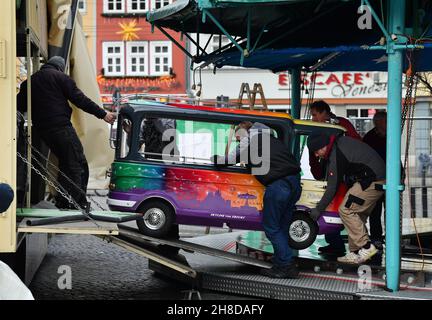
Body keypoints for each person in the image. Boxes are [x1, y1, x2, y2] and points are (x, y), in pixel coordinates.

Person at [17, 56, 116, 209]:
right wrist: (103, 114)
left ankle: (63, 200)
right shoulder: (60, 77)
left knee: (66, 163)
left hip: (42, 130)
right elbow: (81, 100)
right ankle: (77, 203)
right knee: (78, 163)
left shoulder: (29, 82)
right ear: (60, 67)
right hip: (60, 126)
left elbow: (20, 105)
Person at [214, 122, 302, 278]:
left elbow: (230, 159)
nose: (238, 141)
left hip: (279, 186)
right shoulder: (271, 139)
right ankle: (283, 261)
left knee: (271, 227)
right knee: (281, 226)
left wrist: (215, 159)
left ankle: (286, 266)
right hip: (295, 183)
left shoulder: (250, 140)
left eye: (238, 137)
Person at [307, 133, 385, 264]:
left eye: (316, 151)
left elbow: (332, 187)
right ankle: (354, 253)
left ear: (323, 146)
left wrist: (318, 209)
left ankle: (367, 247)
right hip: (376, 178)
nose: (316, 155)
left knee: (346, 210)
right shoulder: (339, 143)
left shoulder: (336, 154)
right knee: (356, 215)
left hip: (372, 180)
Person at [309, 100, 362, 257]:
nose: (313, 118)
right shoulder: (319, 129)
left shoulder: (341, 124)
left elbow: (355, 142)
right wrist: (317, 173)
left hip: (346, 175)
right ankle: (335, 243)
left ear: (324, 112)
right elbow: (313, 155)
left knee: (345, 209)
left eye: (314, 114)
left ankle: (358, 245)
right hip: (330, 172)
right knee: (332, 206)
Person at [362, 111, 387, 249]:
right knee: (375, 211)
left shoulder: (391, 135)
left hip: (391, 178)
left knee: (391, 211)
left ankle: (391, 238)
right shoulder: (369, 138)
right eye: (385, 121)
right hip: (375, 179)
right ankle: (376, 238)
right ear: (378, 122)